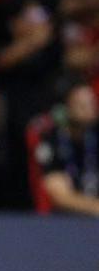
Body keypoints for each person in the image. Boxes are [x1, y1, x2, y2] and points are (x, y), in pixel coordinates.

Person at [36, 80, 99, 216]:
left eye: (92, 103)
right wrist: (95, 207)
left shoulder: (95, 136)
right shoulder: (52, 141)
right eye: (81, 105)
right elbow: (60, 197)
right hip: (65, 221)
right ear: (67, 107)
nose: (89, 109)